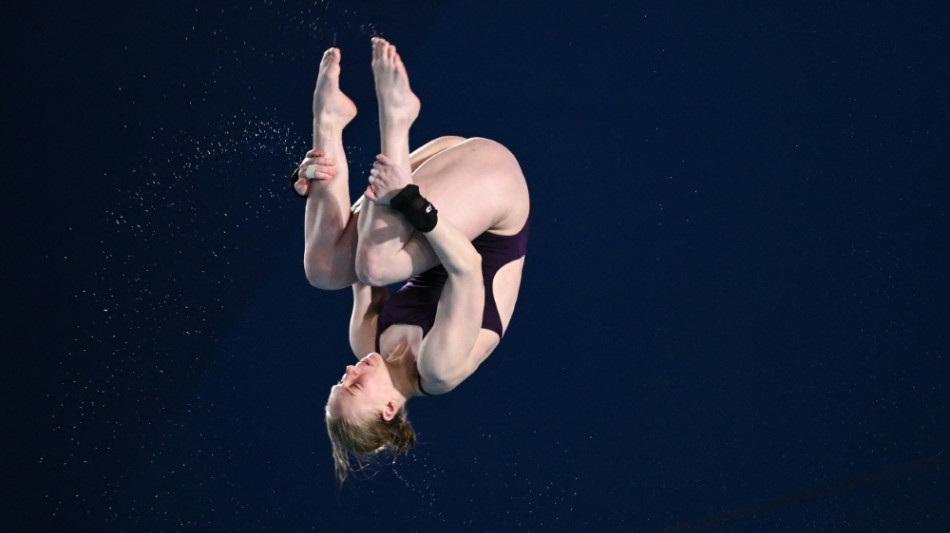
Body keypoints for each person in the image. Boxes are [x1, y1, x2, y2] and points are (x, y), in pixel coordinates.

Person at [293, 38, 530, 484]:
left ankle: (328, 123)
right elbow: (466, 267)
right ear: (388, 409)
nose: (349, 371)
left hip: (445, 184)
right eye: (354, 386)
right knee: (379, 266)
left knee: (323, 269)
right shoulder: (438, 368)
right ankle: (396, 120)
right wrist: (408, 200)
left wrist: (313, 186)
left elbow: (357, 235)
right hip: (495, 192)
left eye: (339, 381)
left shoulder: (367, 340)